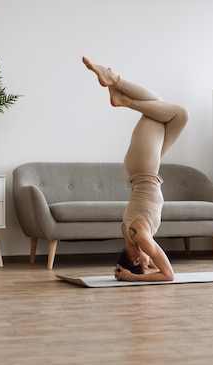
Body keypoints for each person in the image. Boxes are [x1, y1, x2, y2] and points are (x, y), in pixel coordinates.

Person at [82, 56, 189, 282]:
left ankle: (122, 97)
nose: (150, 262)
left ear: (138, 260)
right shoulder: (127, 232)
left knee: (180, 114)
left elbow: (168, 275)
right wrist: (129, 269)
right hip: (144, 166)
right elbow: (147, 264)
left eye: (146, 262)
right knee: (159, 106)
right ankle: (115, 85)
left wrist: (133, 277)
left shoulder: (140, 237)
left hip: (144, 167)